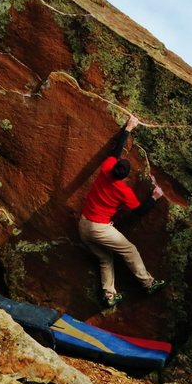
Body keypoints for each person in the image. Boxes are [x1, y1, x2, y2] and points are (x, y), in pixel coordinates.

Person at [79, 115, 166, 307]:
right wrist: (155, 196)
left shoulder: (106, 169)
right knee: (130, 250)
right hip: (99, 228)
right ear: (125, 176)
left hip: (83, 225)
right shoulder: (124, 191)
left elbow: (116, 152)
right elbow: (139, 211)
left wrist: (128, 128)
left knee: (105, 258)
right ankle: (148, 283)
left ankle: (109, 295)